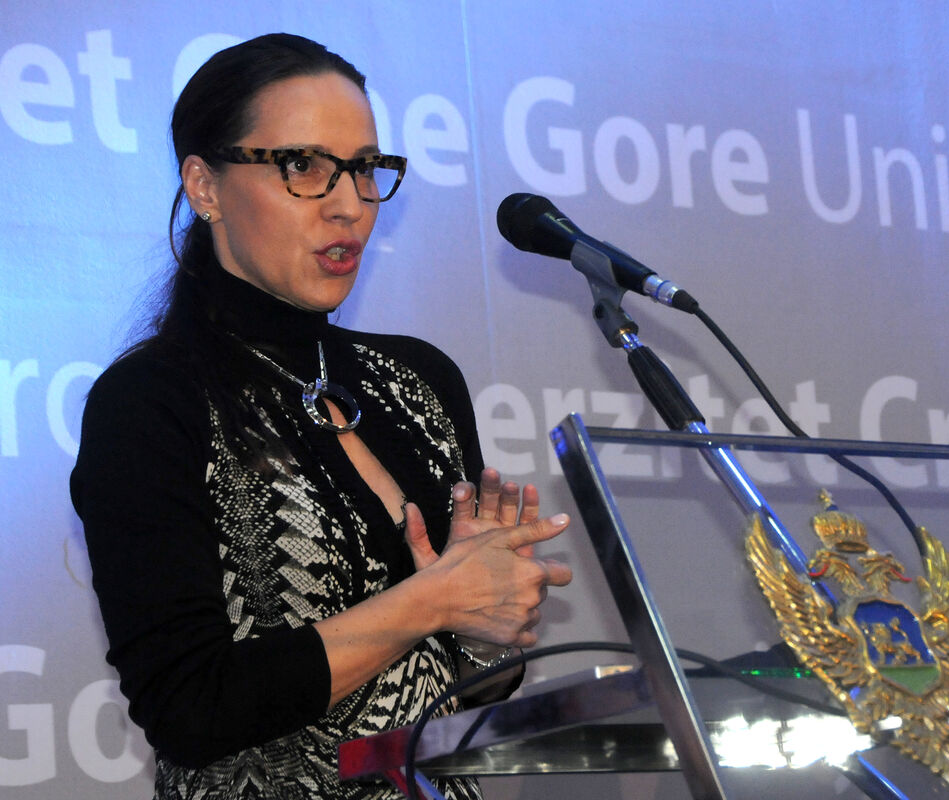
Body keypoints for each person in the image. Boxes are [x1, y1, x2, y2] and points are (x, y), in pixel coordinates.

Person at [69, 33, 572, 800]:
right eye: (303, 166)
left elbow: (464, 695)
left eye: (365, 168)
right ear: (204, 187)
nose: (349, 205)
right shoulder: (149, 402)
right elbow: (189, 709)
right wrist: (432, 600)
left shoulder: (421, 380)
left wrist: (482, 637)